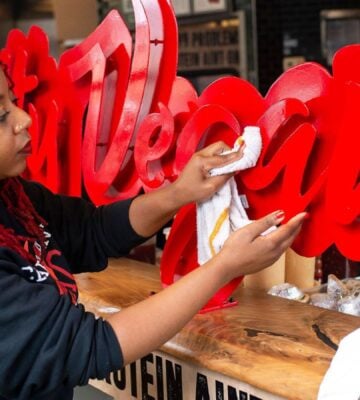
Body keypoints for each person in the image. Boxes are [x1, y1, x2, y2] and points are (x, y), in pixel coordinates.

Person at [0, 63, 306, 400]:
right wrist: (224, 266)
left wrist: (180, 193)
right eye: (1, 115)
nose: (22, 119)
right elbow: (86, 345)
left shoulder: (12, 196)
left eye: (12, 101)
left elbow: (93, 229)